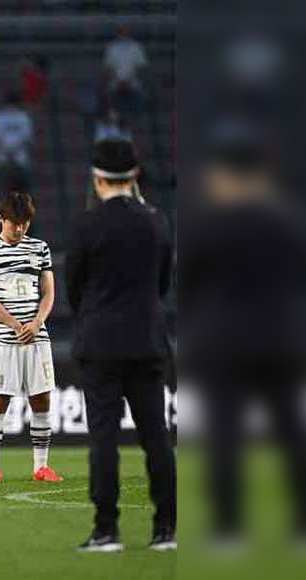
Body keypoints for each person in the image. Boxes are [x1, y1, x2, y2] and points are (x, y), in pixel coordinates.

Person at [181, 133, 306, 543]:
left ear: (222, 174)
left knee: (224, 435)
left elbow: (188, 284)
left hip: (222, 340)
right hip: (282, 337)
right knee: (294, 430)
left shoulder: (207, 225)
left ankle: (228, 528)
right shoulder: (288, 220)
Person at [65, 139, 175, 552]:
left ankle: (106, 530)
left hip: (100, 343)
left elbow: (74, 287)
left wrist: (95, 314)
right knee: (156, 436)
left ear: (97, 179)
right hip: (147, 340)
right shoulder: (156, 221)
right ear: (133, 177)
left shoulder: (86, 225)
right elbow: (163, 283)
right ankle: (166, 528)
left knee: (104, 439)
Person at [0, 191, 63, 484]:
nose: (20, 229)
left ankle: (41, 466)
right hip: (3, 337)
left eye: (25, 223)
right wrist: (14, 324)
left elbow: (48, 291)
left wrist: (36, 323)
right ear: (1, 219)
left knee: (42, 398)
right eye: (15, 223)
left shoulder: (40, 248)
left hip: (37, 336)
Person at [0, 91, 34, 186]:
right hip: (2, 152)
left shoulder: (23, 117)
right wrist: (6, 149)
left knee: (22, 172)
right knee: (2, 172)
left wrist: (14, 150)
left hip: (20, 153)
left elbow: (27, 137)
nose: (10, 107)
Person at [102, 26, 148, 116]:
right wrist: (118, 81)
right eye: (121, 32)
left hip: (133, 84)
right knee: (114, 112)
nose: (124, 34)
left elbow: (141, 67)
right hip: (115, 85)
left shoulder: (137, 47)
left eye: (126, 32)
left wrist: (129, 81)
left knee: (137, 112)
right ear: (118, 33)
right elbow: (108, 67)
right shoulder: (111, 48)